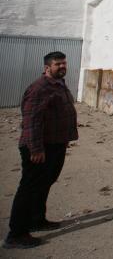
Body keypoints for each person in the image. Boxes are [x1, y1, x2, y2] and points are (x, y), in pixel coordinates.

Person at [4, 52, 78, 249]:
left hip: (55, 144)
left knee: (46, 182)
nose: (62, 67)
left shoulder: (58, 84)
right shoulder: (39, 88)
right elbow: (31, 121)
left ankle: (37, 219)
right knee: (29, 188)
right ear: (47, 67)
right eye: (57, 64)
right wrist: (35, 148)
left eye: (64, 63)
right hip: (39, 148)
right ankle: (16, 234)